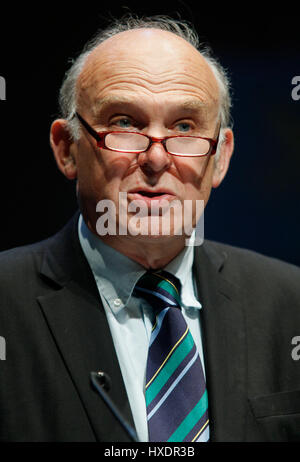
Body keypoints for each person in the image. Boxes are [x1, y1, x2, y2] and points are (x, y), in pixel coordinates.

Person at [0, 15, 300, 443]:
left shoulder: (291, 304)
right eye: (124, 122)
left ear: (221, 157)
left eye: (184, 127)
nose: (157, 159)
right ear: (67, 149)